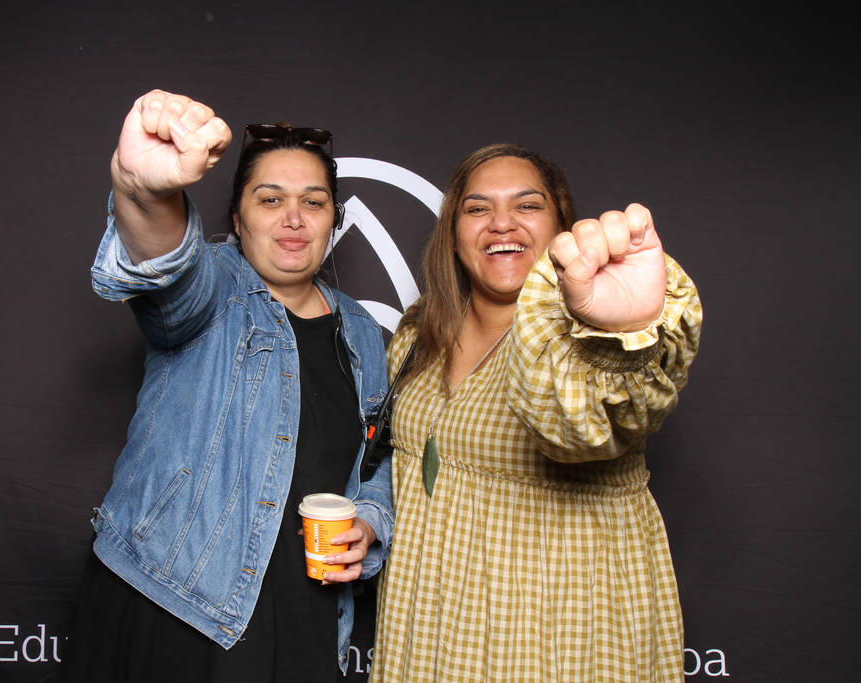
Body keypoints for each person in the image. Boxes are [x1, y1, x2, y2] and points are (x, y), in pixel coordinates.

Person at [61, 90, 393, 682]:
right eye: (271, 199)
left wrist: (369, 520)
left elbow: (377, 462)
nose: (294, 218)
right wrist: (141, 190)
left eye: (313, 202)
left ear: (332, 221)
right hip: (174, 602)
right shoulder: (215, 287)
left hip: (307, 613)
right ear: (238, 220)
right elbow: (167, 263)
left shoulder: (364, 331)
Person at [368, 144, 702, 681]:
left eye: (527, 205)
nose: (502, 223)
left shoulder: (579, 342)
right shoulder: (420, 332)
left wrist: (620, 332)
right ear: (452, 233)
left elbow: (590, 425)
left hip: (553, 622)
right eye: (477, 208)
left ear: (562, 228)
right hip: (429, 616)